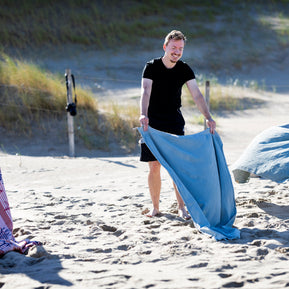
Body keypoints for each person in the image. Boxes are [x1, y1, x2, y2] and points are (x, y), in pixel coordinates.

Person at [139, 30, 216, 219]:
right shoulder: (151, 67)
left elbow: (197, 94)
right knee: (154, 166)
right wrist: (143, 114)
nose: (177, 52)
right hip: (153, 122)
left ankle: (181, 207)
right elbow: (145, 91)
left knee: (176, 167)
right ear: (165, 47)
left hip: (174, 122)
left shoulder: (184, 69)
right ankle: (155, 208)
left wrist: (208, 116)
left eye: (180, 48)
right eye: (174, 47)